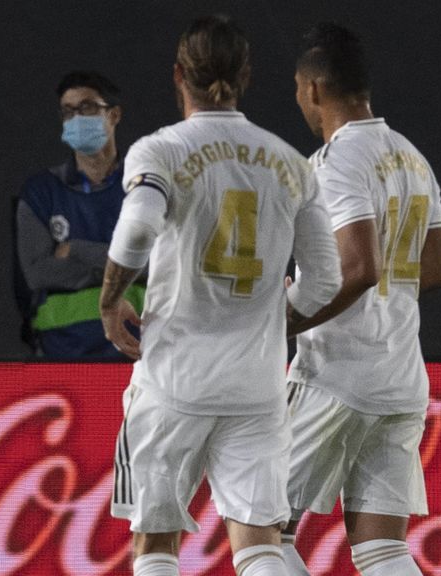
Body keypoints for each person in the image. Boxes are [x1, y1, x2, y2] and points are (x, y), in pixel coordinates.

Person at [100, 14, 341, 576]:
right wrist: (266, 324)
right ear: (248, 75)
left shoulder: (160, 151)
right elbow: (326, 281)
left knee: (156, 546)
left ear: (179, 74)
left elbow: (137, 229)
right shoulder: (290, 163)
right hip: (256, 386)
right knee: (259, 546)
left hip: (173, 378)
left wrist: (111, 300)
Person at [281, 23, 441, 576]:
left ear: (311, 89)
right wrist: (378, 290)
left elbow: (356, 267)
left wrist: (285, 317)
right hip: (400, 376)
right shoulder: (411, 158)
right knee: (382, 550)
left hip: (333, 374)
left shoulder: (335, 163)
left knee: (258, 535)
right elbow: (437, 268)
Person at [16, 70, 142, 358]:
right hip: (62, 353)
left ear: (114, 115)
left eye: (87, 107)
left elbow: (160, 264)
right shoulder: (41, 192)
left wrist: (76, 249)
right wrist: (120, 266)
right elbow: (38, 273)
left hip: (141, 353)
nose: (77, 118)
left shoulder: (144, 186)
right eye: (68, 111)